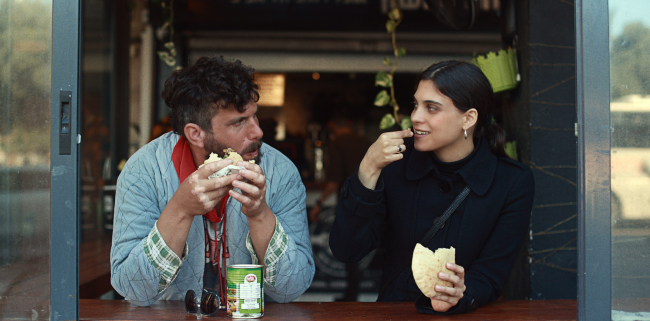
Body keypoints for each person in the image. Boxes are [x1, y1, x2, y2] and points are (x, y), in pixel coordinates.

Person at [329, 60, 534, 315]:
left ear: (468, 118)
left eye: (431, 108)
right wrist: (368, 170)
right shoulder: (395, 167)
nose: (416, 116)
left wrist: (461, 293)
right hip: (396, 314)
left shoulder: (511, 181)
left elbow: (492, 273)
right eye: (416, 105)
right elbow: (347, 250)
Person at [110, 56, 314, 307]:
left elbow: (291, 289)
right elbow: (134, 291)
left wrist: (260, 214)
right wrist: (180, 209)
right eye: (239, 122)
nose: (258, 132)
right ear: (196, 133)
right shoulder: (143, 171)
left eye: (254, 116)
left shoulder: (280, 171)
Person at [308, 114, 371, 301]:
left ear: (331, 125)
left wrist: (319, 204)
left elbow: (334, 180)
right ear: (350, 123)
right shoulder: (366, 141)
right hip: (371, 200)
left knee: (350, 248)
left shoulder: (336, 144)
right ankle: (354, 293)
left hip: (349, 203)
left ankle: (351, 295)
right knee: (365, 247)